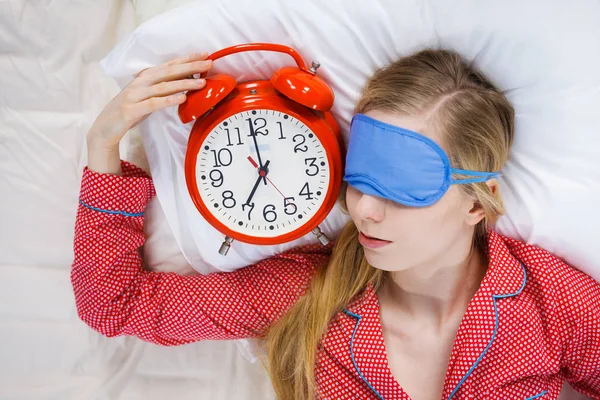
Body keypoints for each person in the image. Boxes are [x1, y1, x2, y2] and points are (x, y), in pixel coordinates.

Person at [72, 49, 600, 400]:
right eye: (360, 181)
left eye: (400, 192)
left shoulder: (554, 303)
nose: (365, 209)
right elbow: (114, 304)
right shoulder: (306, 294)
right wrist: (103, 148)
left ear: (478, 205)